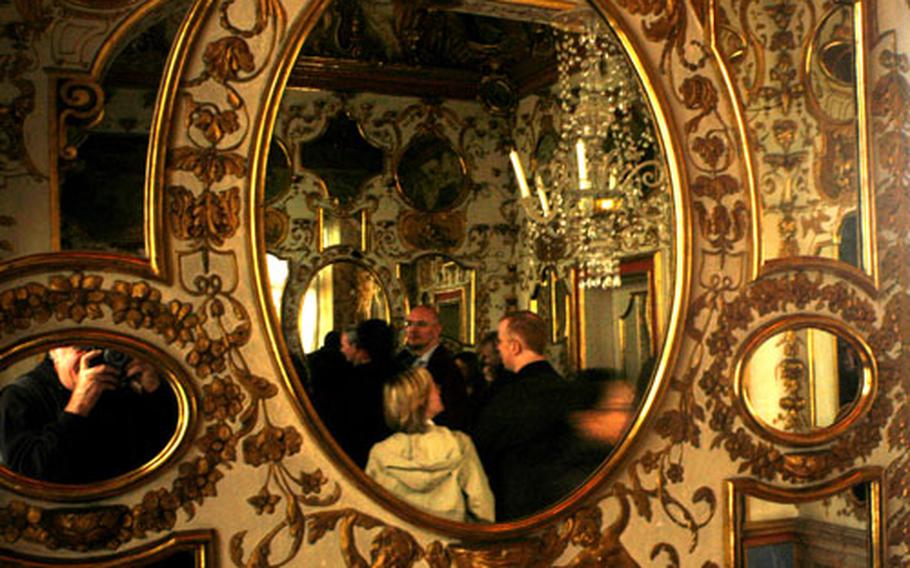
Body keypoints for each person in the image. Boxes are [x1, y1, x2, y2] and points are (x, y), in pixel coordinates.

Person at [471, 311, 597, 521]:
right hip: (566, 506)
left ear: (515, 346)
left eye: (500, 342)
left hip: (518, 508)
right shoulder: (567, 389)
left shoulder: (507, 396)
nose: (498, 348)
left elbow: (482, 449)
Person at [0, 346, 177, 484]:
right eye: (81, 348)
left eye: (98, 348)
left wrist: (155, 391)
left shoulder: (117, 385)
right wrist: (79, 404)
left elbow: (162, 451)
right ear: (55, 350)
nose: (90, 357)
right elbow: (25, 477)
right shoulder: (19, 397)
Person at [365, 367, 494, 523]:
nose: (439, 389)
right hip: (451, 539)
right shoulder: (459, 443)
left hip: (400, 543)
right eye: (434, 386)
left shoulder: (380, 453)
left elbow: (370, 511)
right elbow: (482, 505)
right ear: (420, 399)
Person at [333, 319, 401, 468]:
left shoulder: (354, 379)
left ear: (360, 345)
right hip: (396, 451)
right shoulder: (402, 373)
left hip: (360, 453)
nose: (342, 350)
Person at [398, 305, 470, 431]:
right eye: (409, 323)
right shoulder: (402, 363)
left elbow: (454, 416)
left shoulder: (449, 369)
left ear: (437, 330)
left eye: (421, 324)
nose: (412, 330)